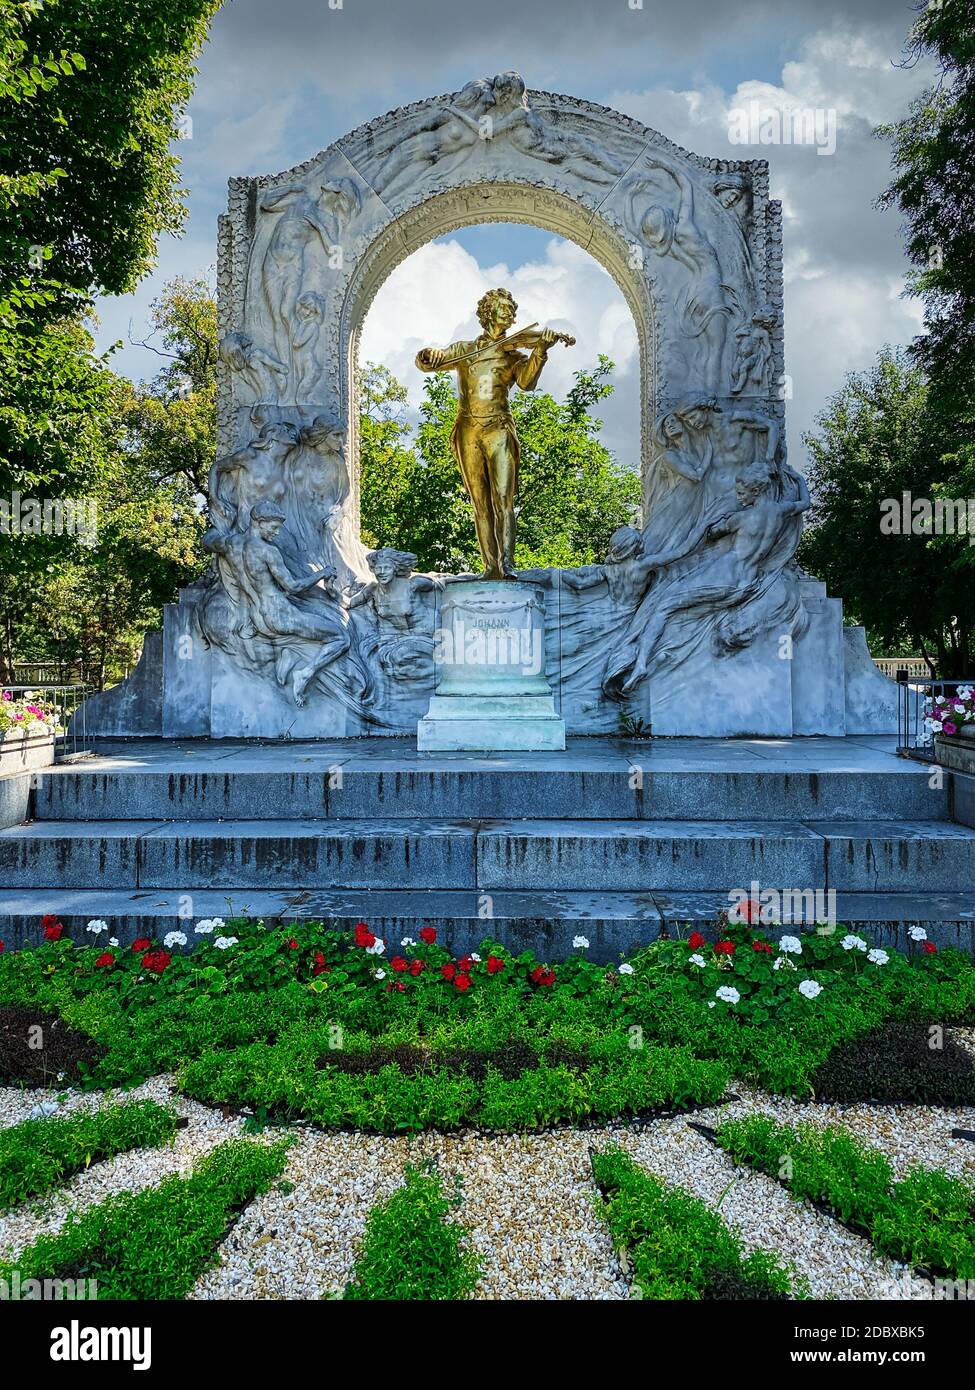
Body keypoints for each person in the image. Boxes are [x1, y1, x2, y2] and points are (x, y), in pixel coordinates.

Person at [415, 287, 570, 579]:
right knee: (480, 502)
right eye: (504, 308)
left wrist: (540, 350)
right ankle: (490, 567)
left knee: (503, 498)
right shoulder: (465, 350)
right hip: (468, 428)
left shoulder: (512, 355)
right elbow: (428, 363)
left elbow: (526, 384)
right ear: (489, 312)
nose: (510, 313)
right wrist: (428, 354)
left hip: (498, 426)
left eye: (512, 310)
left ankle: (507, 564)